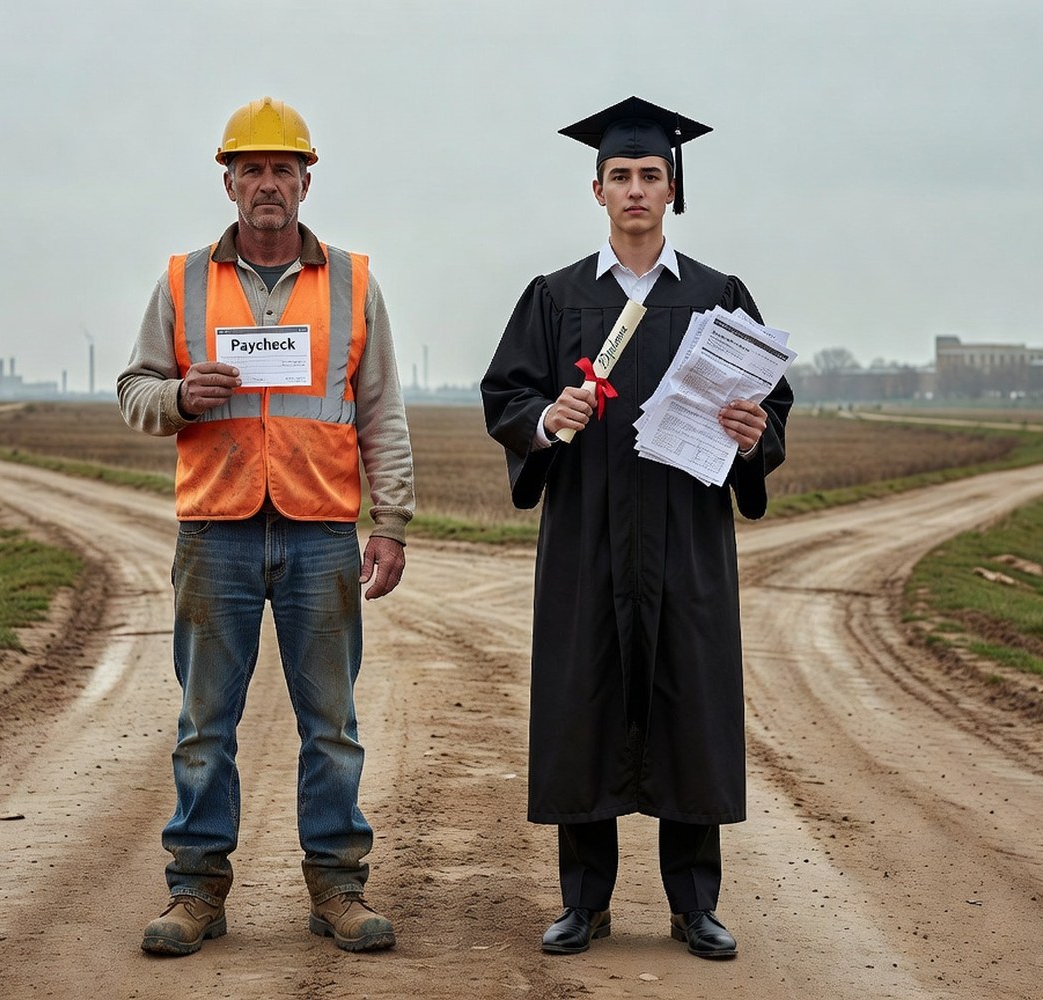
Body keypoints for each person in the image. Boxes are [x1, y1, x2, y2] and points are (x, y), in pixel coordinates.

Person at [480, 96, 792, 960]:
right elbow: (505, 396)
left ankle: (695, 906)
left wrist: (752, 435)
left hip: (685, 538)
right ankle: (585, 902)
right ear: (597, 190)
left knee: (688, 705)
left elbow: (771, 404)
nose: (635, 191)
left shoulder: (717, 298)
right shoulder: (556, 298)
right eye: (620, 176)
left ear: (673, 187)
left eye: (651, 175)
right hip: (587, 540)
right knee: (585, 704)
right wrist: (549, 417)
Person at [118, 95, 414, 957]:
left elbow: (381, 412)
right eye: (253, 169)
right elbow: (134, 390)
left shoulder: (354, 281)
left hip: (322, 529)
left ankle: (337, 888)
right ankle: (197, 892)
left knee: (332, 724)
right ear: (229, 183)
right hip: (217, 531)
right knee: (205, 725)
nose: (268, 185)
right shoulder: (183, 280)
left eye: (283, 169)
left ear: (307, 182)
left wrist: (388, 521)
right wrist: (178, 398)